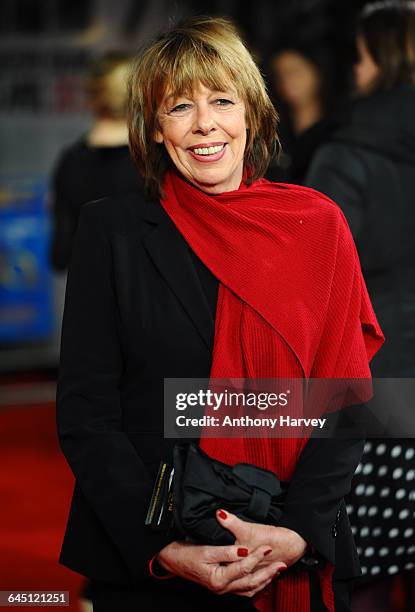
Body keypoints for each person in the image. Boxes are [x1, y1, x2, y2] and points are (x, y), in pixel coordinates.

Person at [56, 16, 384, 612]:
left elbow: (344, 400)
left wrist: (296, 534)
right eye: (179, 107)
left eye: (222, 101)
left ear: (251, 115)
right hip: (156, 563)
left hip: (292, 548)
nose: (204, 123)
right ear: (155, 129)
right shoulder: (113, 232)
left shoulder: (315, 226)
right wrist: (166, 547)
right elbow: (87, 414)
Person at [305, 2, 415, 610]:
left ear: (376, 56)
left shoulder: (344, 152)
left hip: (375, 392)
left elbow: (312, 280)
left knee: (359, 571)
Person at [49, 51, 142, 272]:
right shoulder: (154, 161)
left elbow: (60, 254)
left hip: (89, 294)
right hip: (150, 297)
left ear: (91, 96)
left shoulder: (70, 162)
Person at [266, 43, 336, 184]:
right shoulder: (272, 133)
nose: (288, 80)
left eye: (295, 72)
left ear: (316, 72)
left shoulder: (336, 131)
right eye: (280, 75)